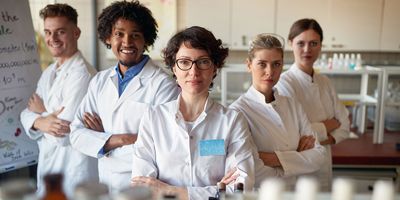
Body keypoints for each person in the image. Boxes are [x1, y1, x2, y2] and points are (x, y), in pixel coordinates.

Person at [130, 26, 257, 200]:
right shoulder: (154, 118)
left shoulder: (232, 121)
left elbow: (240, 189)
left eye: (203, 61)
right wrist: (216, 190)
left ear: (215, 68)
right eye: (184, 62)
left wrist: (173, 192)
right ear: (174, 69)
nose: (193, 71)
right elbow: (143, 187)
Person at [69, 0, 179, 193]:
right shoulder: (99, 82)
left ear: (146, 40)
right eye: (119, 34)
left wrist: (100, 142)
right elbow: (76, 134)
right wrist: (117, 139)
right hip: (106, 184)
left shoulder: (163, 85)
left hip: (143, 188)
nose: (127, 42)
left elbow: (162, 147)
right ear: (108, 38)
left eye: (135, 35)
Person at [20, 3, 98, 198]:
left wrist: (41, 113)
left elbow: (61, 135)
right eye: (47, 32)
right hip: (48, 167)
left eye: (60, 32)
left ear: (76, 32)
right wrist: (43, 119)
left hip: (73, 172)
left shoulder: (83, 74)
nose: (52, 39)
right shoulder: (49, 72)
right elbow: (25, 112)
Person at [229, 33, 325, 189]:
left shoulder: (293, 105)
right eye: (262, 64)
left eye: (276, 64)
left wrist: (274, 159)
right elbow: (252, 169)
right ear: (249, 65)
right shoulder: (238, 111)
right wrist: (297, 158)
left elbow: (319, 156)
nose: (270, 71)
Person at [276, 18, 350, 190]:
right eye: (301, 43)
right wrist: (329, 125)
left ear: (321, 45)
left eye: (313, 43)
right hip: (300, 172)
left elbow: (344, 125)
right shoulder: (284, 83)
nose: (307, 50)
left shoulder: (325, 82)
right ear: (290, 44)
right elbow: (294, 136)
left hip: (324, 165)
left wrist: (314, 138)